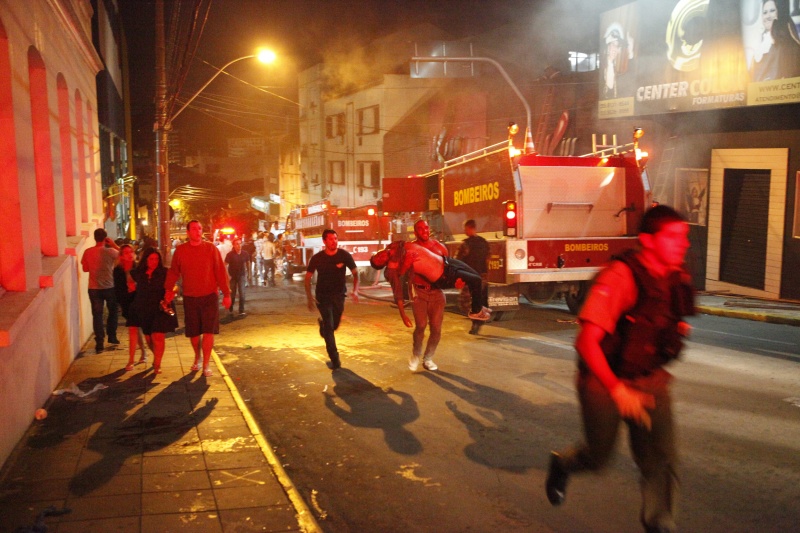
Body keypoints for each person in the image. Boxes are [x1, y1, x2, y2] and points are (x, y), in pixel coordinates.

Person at [545, 205, 695, 533]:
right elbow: (587, 343)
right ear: (648, 240)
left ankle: (660, 524)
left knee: (661, 460)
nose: (683, 244)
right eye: (673, 237)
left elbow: (664, 318)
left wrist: (673, 331)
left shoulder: (676, 275)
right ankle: (563, 464)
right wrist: (618, 391)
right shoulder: (621, 276)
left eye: (684, 237)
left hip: (649, 380)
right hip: (604, 381)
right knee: (598, 457)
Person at [164, 220, 231, 377]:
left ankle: (206, 364)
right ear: (188, 232)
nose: (198, 231)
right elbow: (174, 272)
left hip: (209, 296)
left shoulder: (211, 249)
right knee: (194, 333)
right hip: (190, 297)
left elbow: (220, 271)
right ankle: (197, 356)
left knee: (208, 331)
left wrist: (227, 293)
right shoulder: (181, 251)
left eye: (200, 228)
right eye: (194, 229)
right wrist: (168, 289)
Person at [370, 240, 490, 326]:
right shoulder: (393, 267)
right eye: (379, 260)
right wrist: (403, 315)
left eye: (377, 255)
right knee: (476, 280)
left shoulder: (395, 246)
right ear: (384, 264)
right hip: (442, 274)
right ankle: (475, 311)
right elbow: (398, 294)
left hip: (446, 262)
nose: (380, 256)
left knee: (475, 275)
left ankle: (477, 306)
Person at [305, 229, 359, 370]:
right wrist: (309, 298)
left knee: (334, 326)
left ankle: (323, 326)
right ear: (324, 241)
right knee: (330, 327)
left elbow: (355, 273)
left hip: (339, 296)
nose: (334, 241)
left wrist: (355, 290)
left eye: (335, 238)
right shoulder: (317, 258)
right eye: (330, 239)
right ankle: (335, 358)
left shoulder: (344, 255)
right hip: (323, 297)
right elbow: (307, 278)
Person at [406, 220, 448, 372]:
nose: (424, 231)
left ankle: (428, 358)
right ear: (415, 232)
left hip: (437, 294)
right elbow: (404, 272)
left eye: (426, 228)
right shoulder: (410, 249)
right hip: (420, 293)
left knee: (436, 328)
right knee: (421, 325)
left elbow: (448, 270)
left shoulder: (440, 248)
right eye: (420, 229)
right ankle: (416, 354)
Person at [130, 248, 178, 374]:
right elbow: (130, 283)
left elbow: (174, 286)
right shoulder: (138, 273)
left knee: (158, 335)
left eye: (156, 259)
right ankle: (156, 357)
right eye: (151, 259)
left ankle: (157, 364)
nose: (154, 261)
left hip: (160, 306)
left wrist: (171, 293)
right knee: (149, 337)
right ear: (145, 260)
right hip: (144, 308)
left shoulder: (164, 272)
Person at [81, 228, 120, 352]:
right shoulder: (111, 251)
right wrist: (113, 244)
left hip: (94, 288)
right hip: (109, 287)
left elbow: (85, 269)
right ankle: (112, 336)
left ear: (94, 238)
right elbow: (125, 254)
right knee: (113, 311)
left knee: (97, 315)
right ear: (105, 238)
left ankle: (99, 342)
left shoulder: (87, 252)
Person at [113, 244, 148, 370]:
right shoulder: (118, 270)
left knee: (136, 329)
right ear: (121, 256)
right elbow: (118, 289)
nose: (129, 255)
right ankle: (139, 355)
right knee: (134, 329)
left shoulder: (138, 268)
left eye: (131, 252)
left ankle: (138, 356)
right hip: (127, 302)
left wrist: (136, 288)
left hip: (138, 301)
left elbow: (144, 285)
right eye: (126, 253)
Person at [751, 0, 800, 81]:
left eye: (772, 11)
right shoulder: (761, 46)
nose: (768, 16)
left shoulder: (788, 46)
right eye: (765, 12)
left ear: (779, 13)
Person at [457, 219, 490, 334]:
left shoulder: (465, 244)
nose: (465, 231)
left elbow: (459, 261)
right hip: (482, 276)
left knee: (465, 301)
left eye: (466, 229)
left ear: (470, 228)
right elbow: (487, 258)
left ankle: (476, 322)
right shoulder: (484, 242)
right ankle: (478, 321)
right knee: (478, 300)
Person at [225, 237, 250, 316]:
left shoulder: (245, 253)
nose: (239, 246)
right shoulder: (230, 254)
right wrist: (227, 275)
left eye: (240, 244)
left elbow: (248, 263)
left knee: (242, 293)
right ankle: (230, 308)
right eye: (237, 244)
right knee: (232, 294)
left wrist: (249, 274)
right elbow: (225, 264)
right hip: (232, 276)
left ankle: (241, 310)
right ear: (233, 245)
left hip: (241, 275)